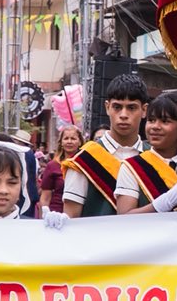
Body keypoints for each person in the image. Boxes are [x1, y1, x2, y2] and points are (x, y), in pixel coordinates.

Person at [64, 74, 149, 218]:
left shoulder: (154, 157)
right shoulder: (83, 161)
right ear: (107, 107)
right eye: (117, 107)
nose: (123, 114)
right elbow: (71, 218)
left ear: (144, 110)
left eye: (131, 107)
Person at [115, 93, 177, 214]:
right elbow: (124, 217)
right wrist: (164, 203)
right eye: (151, 120)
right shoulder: (131, 167)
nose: (155, 127)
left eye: (165, 121)